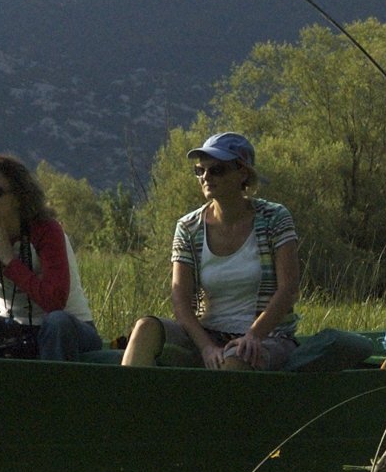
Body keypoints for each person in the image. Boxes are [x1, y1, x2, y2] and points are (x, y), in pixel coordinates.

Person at [122, 132, 300, 371]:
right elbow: (180, 300)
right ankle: (126, 394)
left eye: (217, 170)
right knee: (145, 328)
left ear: (242, 173)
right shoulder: (188, 227)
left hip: (268, 337)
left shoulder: (275, 218)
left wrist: (253, 336)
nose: (206, 177)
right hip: (208, 334)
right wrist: (206, 346)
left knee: (236, 359)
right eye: (200, 170)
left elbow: (288, 288)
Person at [0, 154, 102, 361]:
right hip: (13, 329)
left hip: (66, 330)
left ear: (17, 199)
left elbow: (55, 302)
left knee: (57, 322)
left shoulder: (47, 230)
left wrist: (10, 261)